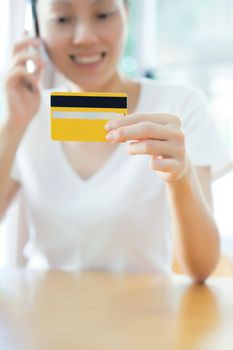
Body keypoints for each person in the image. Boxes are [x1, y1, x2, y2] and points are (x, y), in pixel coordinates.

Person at [0, 0, 231, 282]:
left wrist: (180, 177)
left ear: (127, 16)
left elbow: (201, 269)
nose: (84, 37)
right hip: (43, 312)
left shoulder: (180, 106)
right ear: (34, 34)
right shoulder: (27, 111)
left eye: (103, 14)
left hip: (143, 315)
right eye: (62, 19)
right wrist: (13, 125)